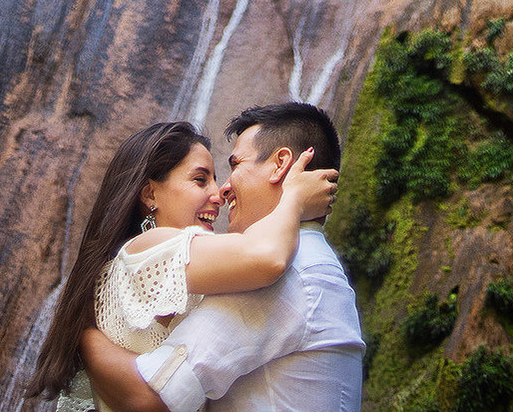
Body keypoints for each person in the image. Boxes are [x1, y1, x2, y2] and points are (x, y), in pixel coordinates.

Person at [27, 116, 338, 412]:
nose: (218, 194)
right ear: (150, 194)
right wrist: (293, 199)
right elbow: (266, 256)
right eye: (200, 180)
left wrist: (83, 337)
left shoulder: (185, 273)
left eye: (215, 179)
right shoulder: (148, 247)